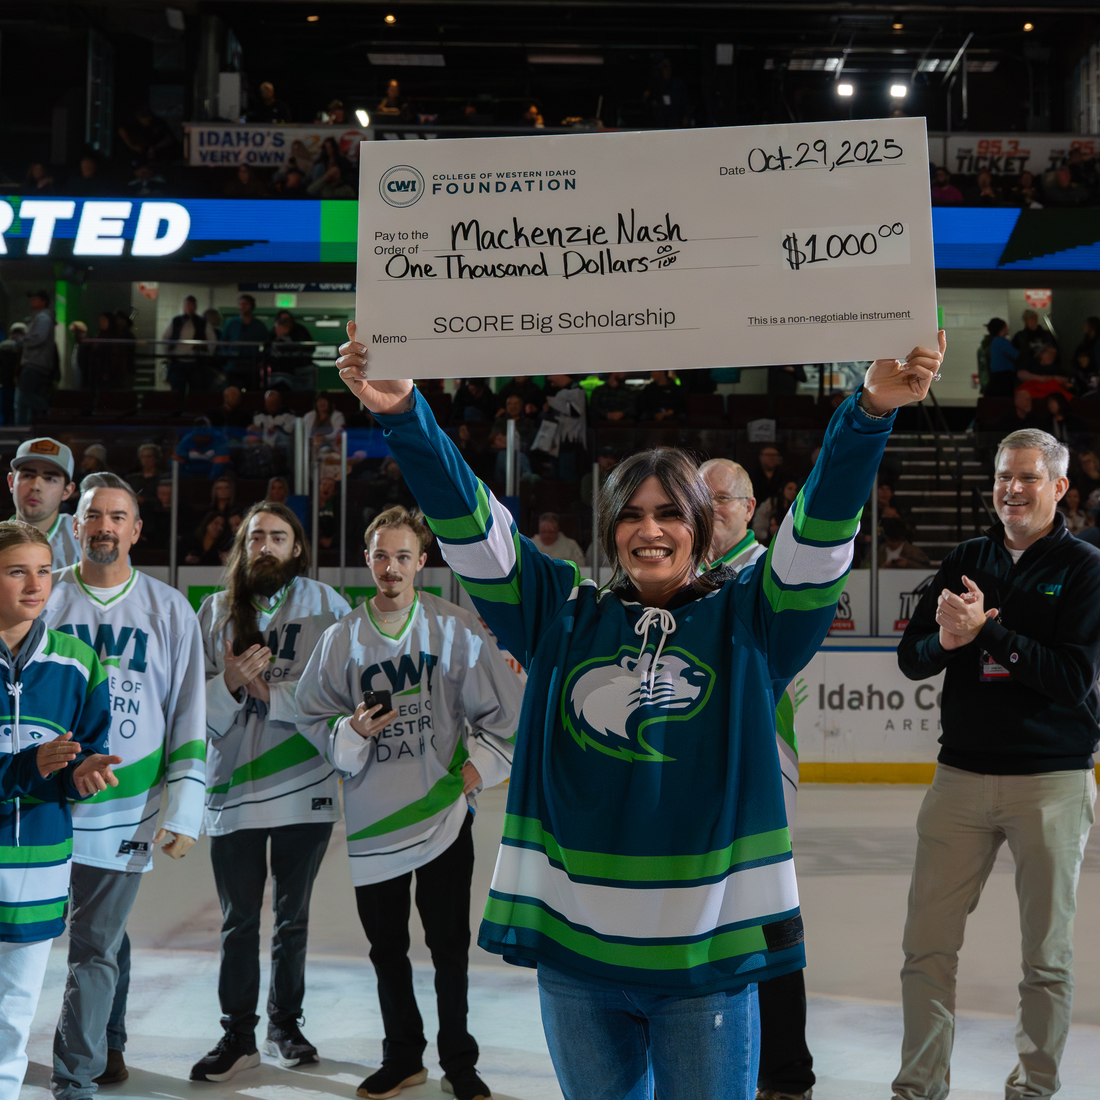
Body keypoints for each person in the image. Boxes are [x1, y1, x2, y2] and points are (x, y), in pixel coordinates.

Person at [334, 322, 946, 1100]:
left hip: (706, 966)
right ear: (610, 527)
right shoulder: (560, 613)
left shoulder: (754, 621)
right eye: (631, 513)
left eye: (670, 514)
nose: (649, 530)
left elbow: (820, 530)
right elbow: (471, 526)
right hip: (578, 959)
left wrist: (867, 413)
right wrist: (405, 415)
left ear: (702, 529)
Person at [894, 428, 1100, 1100]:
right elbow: (913, 657)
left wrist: (991, 634)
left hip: (1052, 782)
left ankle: (1033, 1089)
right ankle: (919, 1087)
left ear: (1060, 487)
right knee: (926, 948)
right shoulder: (966, 558)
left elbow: (1072, 679)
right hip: (959, 779)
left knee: (1046, 958)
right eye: (1004, 476)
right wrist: (952, 640)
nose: (1012, 489)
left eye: (1028, 478)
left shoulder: (1085, 569)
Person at [297, 506, 522, 1100]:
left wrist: (480, 768)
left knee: (449, 946)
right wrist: (351, 732)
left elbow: (507, 715)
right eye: (379, 555)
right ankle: (402, 1055)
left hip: (444, 814)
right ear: (367, 560)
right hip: (373, 819)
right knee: (386, 945)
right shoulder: (341, 638)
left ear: (423, 562)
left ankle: (459, 1061)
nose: (390, 567)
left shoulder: (455, 628)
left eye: (402, 556)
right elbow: (310, 714)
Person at [47, 475, 206, 1094]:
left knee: (91, 946)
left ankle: (74, 1081)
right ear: (76, 525)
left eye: (118, 517)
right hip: (47, 798)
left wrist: (185, 806)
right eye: (93, 516)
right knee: (99, 938)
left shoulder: (169, 609)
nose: (104, 527)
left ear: (137, 530)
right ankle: (110, 1046)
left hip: (128, 806)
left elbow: (190, 711)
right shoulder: (47, 600)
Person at [192, 503, 351, 1082]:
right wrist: (230, 684)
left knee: (292, 918)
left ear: (297, 549)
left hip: (304, 785)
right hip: (232, 788)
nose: (265, 544)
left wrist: (270, 696)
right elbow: (190, 711)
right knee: (238, 922)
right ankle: (238, 1035)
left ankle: (285, 1025)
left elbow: (340, 697)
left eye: (277, 537)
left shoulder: (328, 607)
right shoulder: (213, 612)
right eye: (255, 535)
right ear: (243, 544)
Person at [698, 457, 814, 1100]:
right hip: (700, 762)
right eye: (699, 497)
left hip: (762, 759)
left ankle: (786, 1071)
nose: (710, 509)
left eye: (722, 499)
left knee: (765, 906)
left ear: (750, 509)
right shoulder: (684, 572)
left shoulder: (772, 571)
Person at [0, 520, 117, 1096]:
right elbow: (33, 766)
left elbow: (83, 755)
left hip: (38, 868)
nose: (34, 584)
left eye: (43, 570)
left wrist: (80, 775)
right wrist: (28, 766)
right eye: (17, 570)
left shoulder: (77, 661)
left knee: (13, 1015)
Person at [7, 438, 80, 567]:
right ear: (11, 482)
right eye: (28, 475)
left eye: (50, 479)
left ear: (67, 491)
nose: (36, 486)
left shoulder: (83, 540)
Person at [18, 289, 58, 424]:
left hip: (35, 362)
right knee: (28, 396)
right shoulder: (41, 317)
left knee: (25, 396)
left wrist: (24, 341)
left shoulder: (43, 318)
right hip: (38, 363)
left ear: (43, 301)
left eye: (35, 299)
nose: (32, 301)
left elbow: (39, 338)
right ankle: (31, 426)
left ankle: (49, 410)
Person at [161, 297, 215, 393]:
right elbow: (165, 337)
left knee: (196, 392)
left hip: (196, 362)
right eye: (187, 305)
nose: (188, 307)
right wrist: (168, 353)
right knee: (177, 392)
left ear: (195, 307)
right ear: (183, 307)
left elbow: (212, 340)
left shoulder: (202, 322)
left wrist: (207, 355)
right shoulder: (176, 320)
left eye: (191, 305)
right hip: (178, 361)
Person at [220, 296, 269, 389]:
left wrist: (262, 360)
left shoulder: (259, 326)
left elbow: (266, 344)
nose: (242, 306)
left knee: (252, 394)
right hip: (234, 366)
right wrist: (227, 356)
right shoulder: (231, 323)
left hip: (252, 366)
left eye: (245, 304)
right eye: (240, 304)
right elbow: (222, 343)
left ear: (251, 306)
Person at [983, 318, 1020, 397]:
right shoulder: (1002, 341)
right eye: (1006, 326)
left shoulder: (994, 341)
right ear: (1002, 328)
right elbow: (1015, 355)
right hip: (1004, 375)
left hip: (995, 374)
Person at [0, 322, 25, 425]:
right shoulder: (4, 347)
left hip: (20, 382)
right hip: (8, 382)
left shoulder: (25, 348)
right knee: (8, 406)